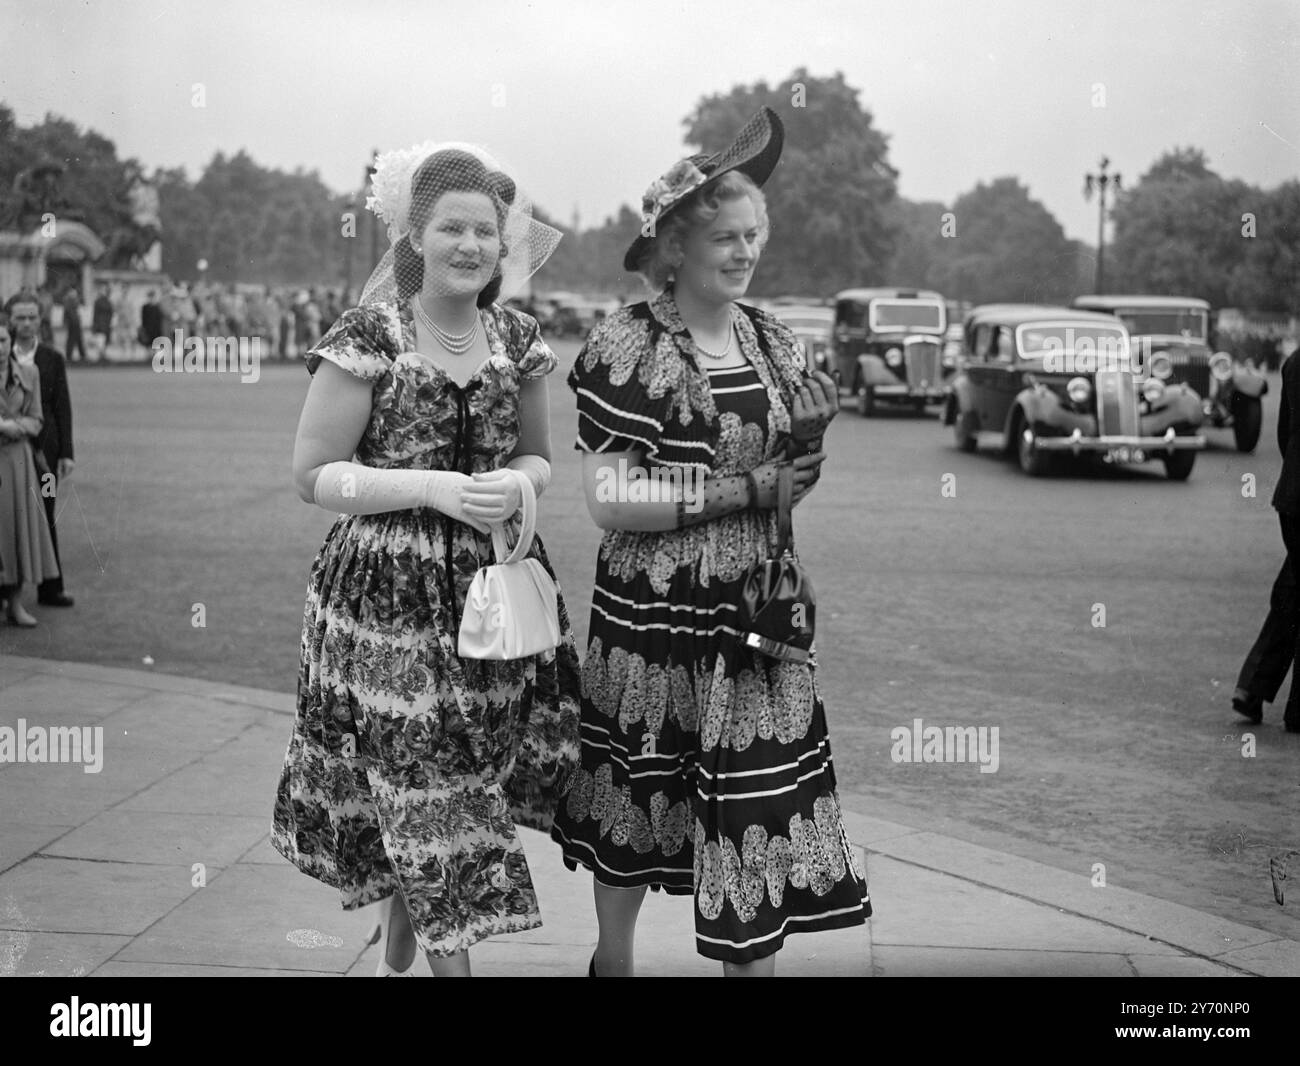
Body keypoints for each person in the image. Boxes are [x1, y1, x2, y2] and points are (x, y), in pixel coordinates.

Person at [550, 107, 871, 976]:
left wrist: (806, 444)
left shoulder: (773, 339)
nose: (743, 252)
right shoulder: (628, 342)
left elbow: (790, 482)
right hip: (651, 609)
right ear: (676, 248)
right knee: (636, 789)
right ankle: (612, 958)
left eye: (753, 235)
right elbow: (610, 499)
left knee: (759, 807)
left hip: (752, 610)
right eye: (724, 237)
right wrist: (747, 488)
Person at [271, 142, 580, 977]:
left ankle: (406, 916)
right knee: (427, 784)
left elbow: (542, 459)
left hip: (493, 590)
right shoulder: (370, 334)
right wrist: (431, 487)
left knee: (467, 775)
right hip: (384, 598)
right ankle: (447, 957)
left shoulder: (517, 337)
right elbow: (313, 475)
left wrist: (515, 488)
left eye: (486, 231)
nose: (472, 246)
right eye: (453, 227)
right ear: (414, 232)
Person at [1238, 345, 1300, 732]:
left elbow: (1283, 434)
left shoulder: (1295, 362)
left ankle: (1253, 687)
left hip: (1293, 498)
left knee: (1294, 586)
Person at [7, 297, 74, 608]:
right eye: (21, 317)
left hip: (46, 449)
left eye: (32, 317)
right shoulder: (3, 354)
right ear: (11, 321)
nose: (27, 323)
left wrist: (67, 453)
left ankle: (51, 586)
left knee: (46, 510)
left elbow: (62, 405)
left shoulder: (52, 358)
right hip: (9, 449)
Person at [0, 312, 59, 626]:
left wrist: (13, 426)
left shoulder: (29, 372)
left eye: (2, 340)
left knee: (17, 531)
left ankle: (15, 603)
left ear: (10, 342)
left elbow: (37, 418)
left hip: (17, 460)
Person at [61, 286, 86, 363]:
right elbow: (68, 313)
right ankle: (70, 355)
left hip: (75, 322)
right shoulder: (69, 301)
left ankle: (81, 355)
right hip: (73, 323)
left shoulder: (70, 300)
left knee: (78, 339)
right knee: (72, 339)